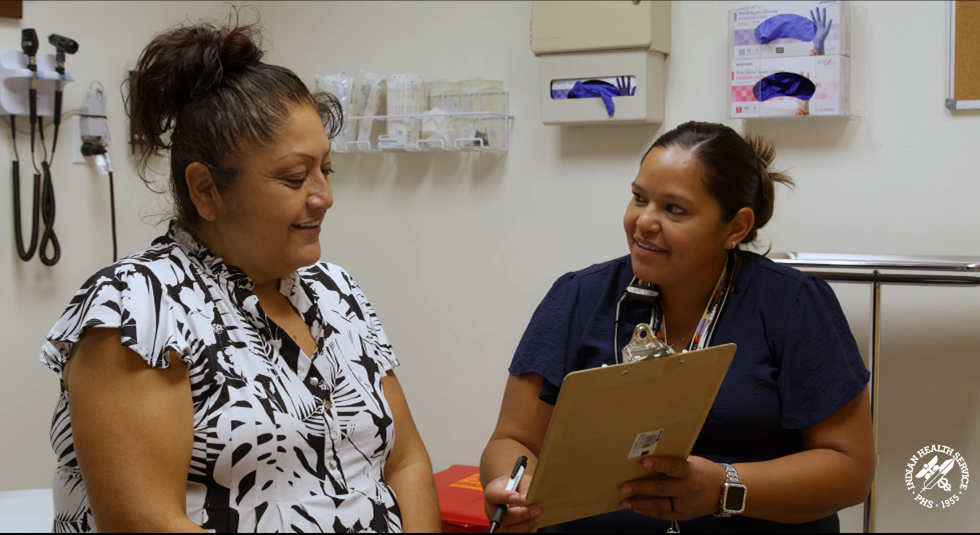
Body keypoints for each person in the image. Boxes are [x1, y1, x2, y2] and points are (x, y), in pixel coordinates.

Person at [40, 16, 440, 533]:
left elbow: (405, 461)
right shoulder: (138, 309)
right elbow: (144, 522)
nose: (323, 196)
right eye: (296, 177)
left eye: (326, 170)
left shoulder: (334, 292)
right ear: (206, 190)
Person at [480, 121, 874, 533]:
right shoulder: (579, 296)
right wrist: (512, 490)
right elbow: (514, 441)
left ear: (736, 227)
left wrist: (724, 488)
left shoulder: (792, 305)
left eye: (674, 209)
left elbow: (850, 469)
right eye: (639, 198)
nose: (643, 222)